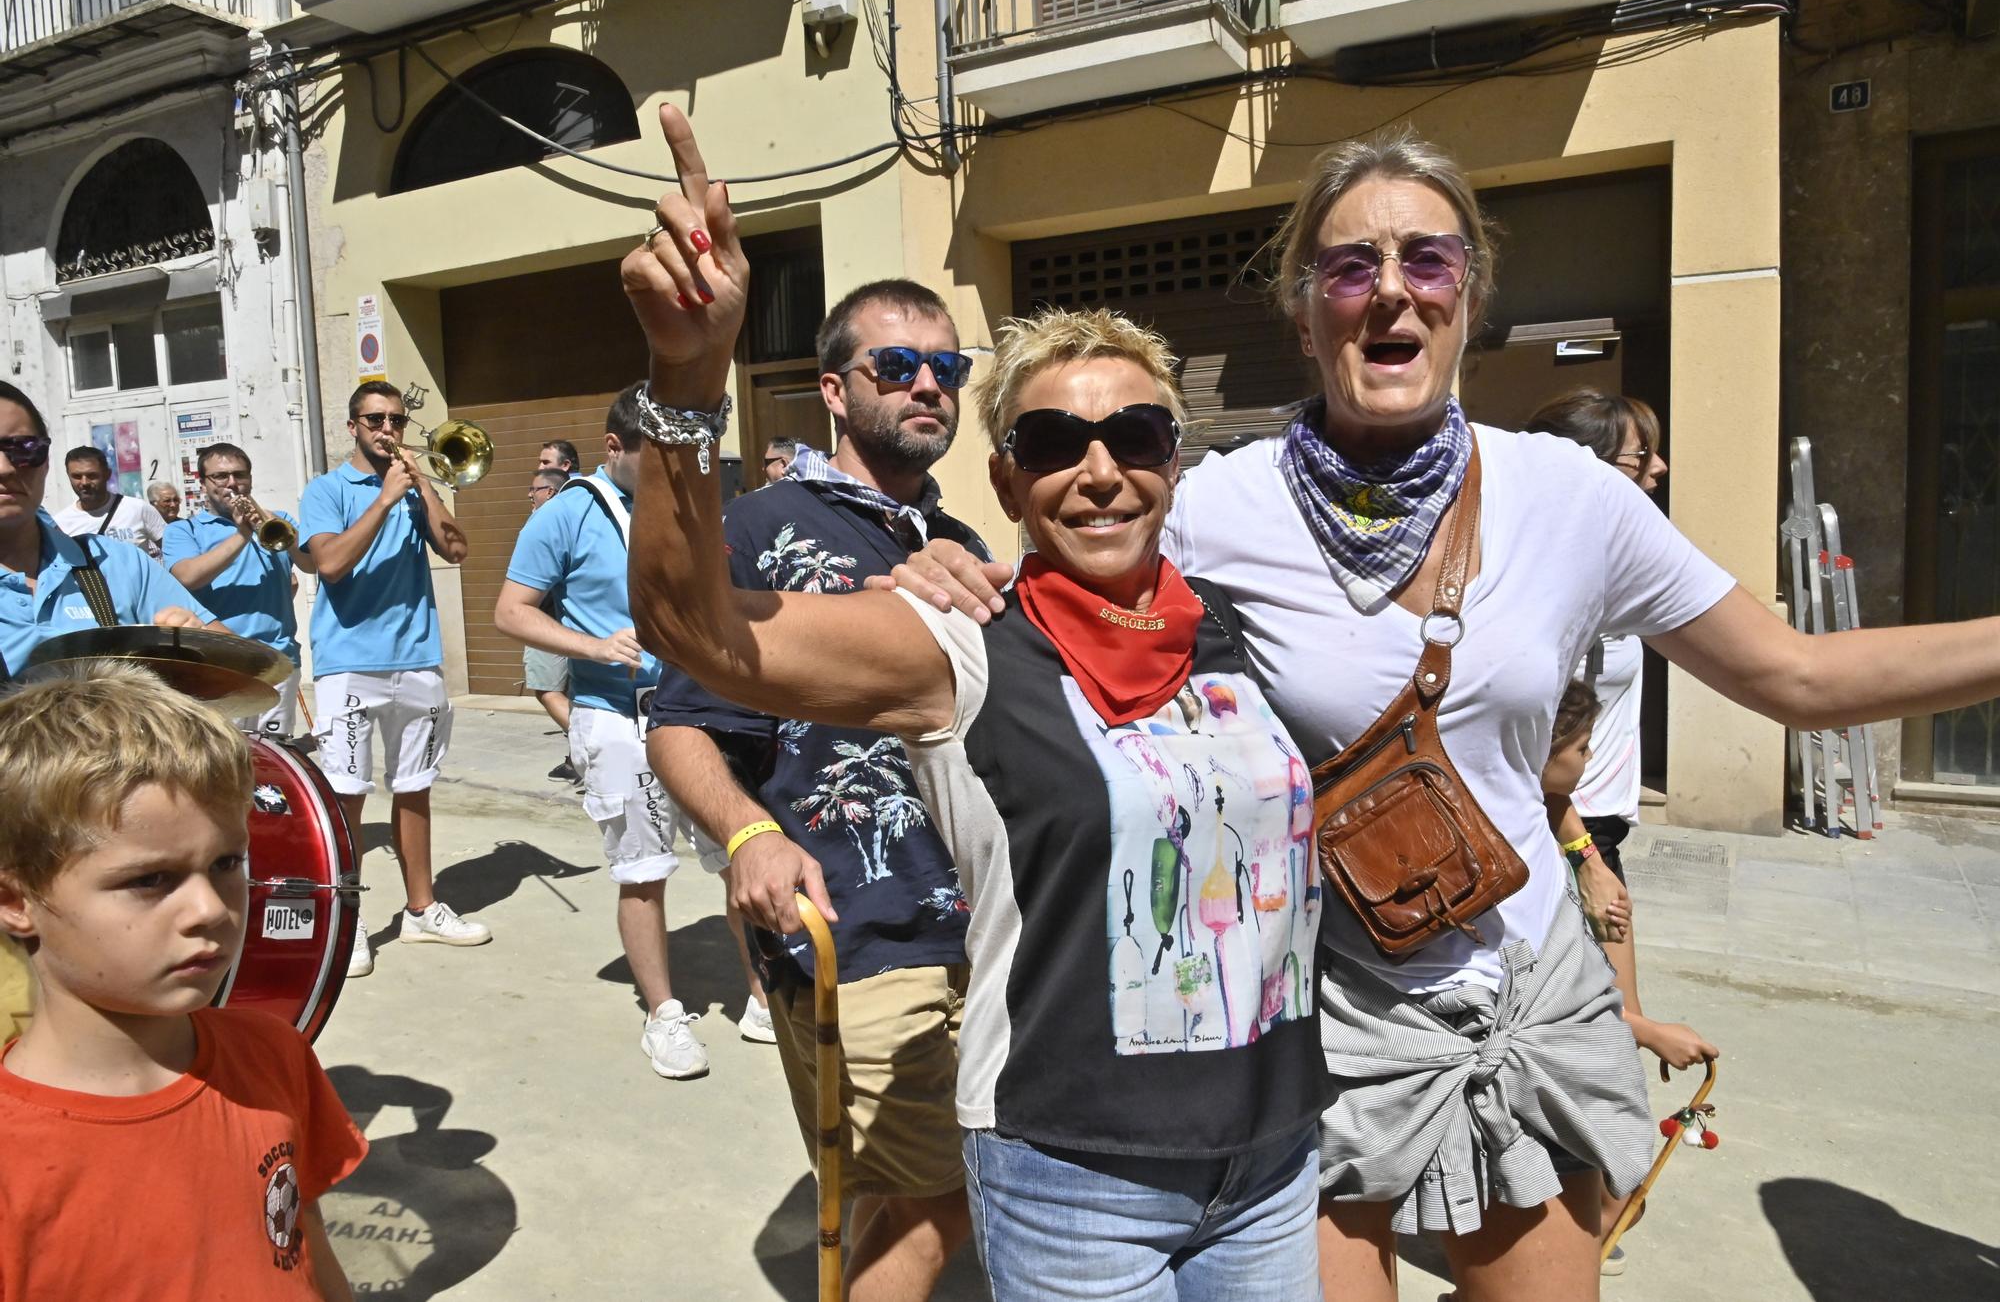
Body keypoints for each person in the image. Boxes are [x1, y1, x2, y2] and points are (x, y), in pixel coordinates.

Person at [884, 127, 2000, 1302]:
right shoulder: (1218, 504)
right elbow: (1064, 566)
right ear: (1303, 306)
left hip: (1524, 996)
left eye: (1426, 261)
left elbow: (1796, 677)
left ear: (1467, 290)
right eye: (1350, 268)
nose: (1389, 295)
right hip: (1323, 1017)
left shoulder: (1570, 497)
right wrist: (940, 574)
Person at [623, 107, 1327, 1299]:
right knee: (918, 1200)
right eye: (1053, 439)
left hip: (1250, 1144)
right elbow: (692, 650)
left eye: (1134, 433)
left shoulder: (1214, 624)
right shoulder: (956, 621)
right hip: (949, 1018)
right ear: (1011, 475)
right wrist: (689, 373)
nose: (1098, 468)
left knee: (924, 1202)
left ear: (1173, 457)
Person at [648, 278, 990, 1298]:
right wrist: (747, 834)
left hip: (988, 925)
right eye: (897, 365)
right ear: (835, 390)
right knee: (941, 1193)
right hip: (858, 926)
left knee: (924, 1185)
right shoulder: (756, 524)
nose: (928, 384)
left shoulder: (960, 545)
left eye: (947, 368)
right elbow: (677, 721)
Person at [0, 662, 365, 1299]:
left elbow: (305, 1246)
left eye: (226, 863)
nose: (210, 909)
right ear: (16, 901)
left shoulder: (276, 1055)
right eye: (150, 880)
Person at [495, 387, 755, 1080]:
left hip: (697, 705)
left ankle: (762, 993)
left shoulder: (684, 501)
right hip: (616, 712)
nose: (671, 472)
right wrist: (588, 646)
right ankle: (664, 1014)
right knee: (643, 870)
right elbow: (511, 611)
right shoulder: (566, 514)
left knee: (738, 848)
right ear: (615, 448)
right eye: (655, 459)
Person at [1527, 390, 1716, 1277]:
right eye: (1640, 459)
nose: (1659, 472)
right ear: (1581, 469)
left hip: (1596, 835)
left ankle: (1576, 1237)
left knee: (1608, 1064)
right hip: (1565, 836)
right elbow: (1521, 762)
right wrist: (1579, 849)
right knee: (1598, 1055)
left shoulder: (1611, 567)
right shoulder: (1541, 587)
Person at [300, 379, 484, 980]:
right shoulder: (326, 491)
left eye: (396, 421)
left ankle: (421, 909)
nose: (388, 430)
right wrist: (383, 498)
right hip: (349, 663)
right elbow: (329, 564)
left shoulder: (413, 486)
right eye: (375, 420)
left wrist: (425, 487)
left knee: (415, 787)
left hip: (417, 659)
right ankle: (347, 919)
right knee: (347, 796)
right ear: (352, 426)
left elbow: (458, 550)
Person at [0, 382, 218, 682]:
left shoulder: (117, 563)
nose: (5, 468)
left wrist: (194, 656)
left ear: (45, 460)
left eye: (23, 449)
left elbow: (246, 670)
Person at [164, 442, 316, 738]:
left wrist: (282, 528)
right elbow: (188, 577)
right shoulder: (185, 530)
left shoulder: (277, 521)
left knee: (274, 758)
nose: (232, 483)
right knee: (223, 758)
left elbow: (310, 565)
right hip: (218, 664)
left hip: (278, 661)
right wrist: (242, 535)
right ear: (203, 483)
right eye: (221, 476)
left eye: (240, 475)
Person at [521, 468, 579, 783]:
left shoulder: (545, 521)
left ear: (552, 492)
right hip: (573, 624)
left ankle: (589, 743)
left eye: (535, 489)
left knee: (546, 690)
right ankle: (579, 755)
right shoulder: (580, 518)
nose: (531, 495)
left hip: (547, 623)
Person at [53, 445, 166, 558]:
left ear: (107, 474)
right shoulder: (61, 523)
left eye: (92, 475)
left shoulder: (138, 509)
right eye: (77, 476)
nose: (84, 482)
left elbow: (174, 553)